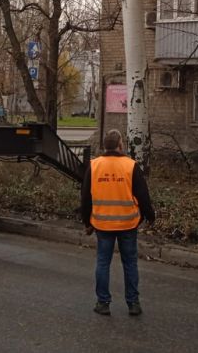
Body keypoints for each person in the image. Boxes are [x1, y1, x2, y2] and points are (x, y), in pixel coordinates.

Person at [80, 129, 155, 317]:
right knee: (130, 263)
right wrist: (150, 216)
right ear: (121, 145)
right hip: (127, 224)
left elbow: (85, 197)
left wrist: (86, 221)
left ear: (105, 146)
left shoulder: (94, 165)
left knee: (103, 263)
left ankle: (103, 303)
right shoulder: (130, 166)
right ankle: (133, 303)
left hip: (102, 224)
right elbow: (143, 196)